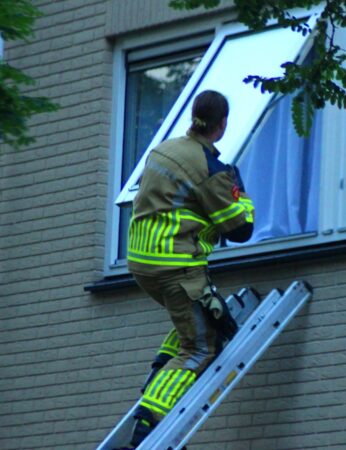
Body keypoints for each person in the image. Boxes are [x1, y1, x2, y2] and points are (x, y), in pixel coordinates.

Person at [123, 90, 255, 448]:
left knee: (191, 321)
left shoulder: (163, 149)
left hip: (143, 263)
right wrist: (239, 191)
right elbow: (240, 229)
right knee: (200, 347)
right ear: (222, 124)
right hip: (177, 266)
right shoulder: (209, 168)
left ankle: (158, 377)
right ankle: (148, 424)